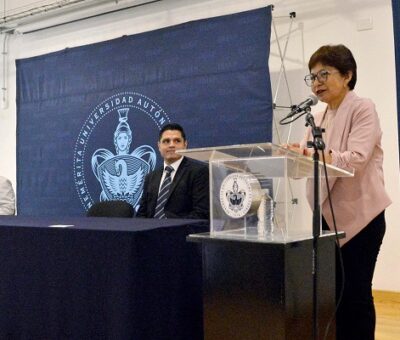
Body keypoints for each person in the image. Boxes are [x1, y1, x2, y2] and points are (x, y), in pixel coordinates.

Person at [288, 44, 391, 340]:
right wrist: (294, 155)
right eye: (312, 76)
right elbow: (310, 161)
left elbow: (356, 158)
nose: (317, 82)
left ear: (347, 76)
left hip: (361, 216)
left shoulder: (363, 108)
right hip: (325, 217)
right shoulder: (316, 117)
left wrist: (310, 155)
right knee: (329, 294)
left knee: (355, 293)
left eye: (324, 74)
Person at [136, 123, 209, 219]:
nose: (171, 145)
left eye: (177, 141)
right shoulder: (151, 177)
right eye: (166, 141)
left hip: (181, 232)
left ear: (185, 144)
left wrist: (168, 230)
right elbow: (142, 214)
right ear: (159, 146)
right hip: (150, 232)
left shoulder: (198, 172)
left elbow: (200, 213)